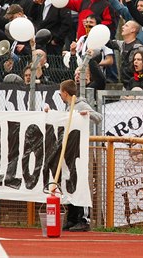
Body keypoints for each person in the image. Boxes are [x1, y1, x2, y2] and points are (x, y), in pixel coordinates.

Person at [51, 79, 102, 232]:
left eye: (61, 92)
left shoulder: (80, 104)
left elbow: (98, 117)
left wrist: (88, 114)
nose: (60, 95)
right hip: (69, 152)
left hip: (79, 152)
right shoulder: (67, 107)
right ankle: (72, 218)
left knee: (79, 183)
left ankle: (84, 219)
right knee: (69, 183)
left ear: (65, 93)